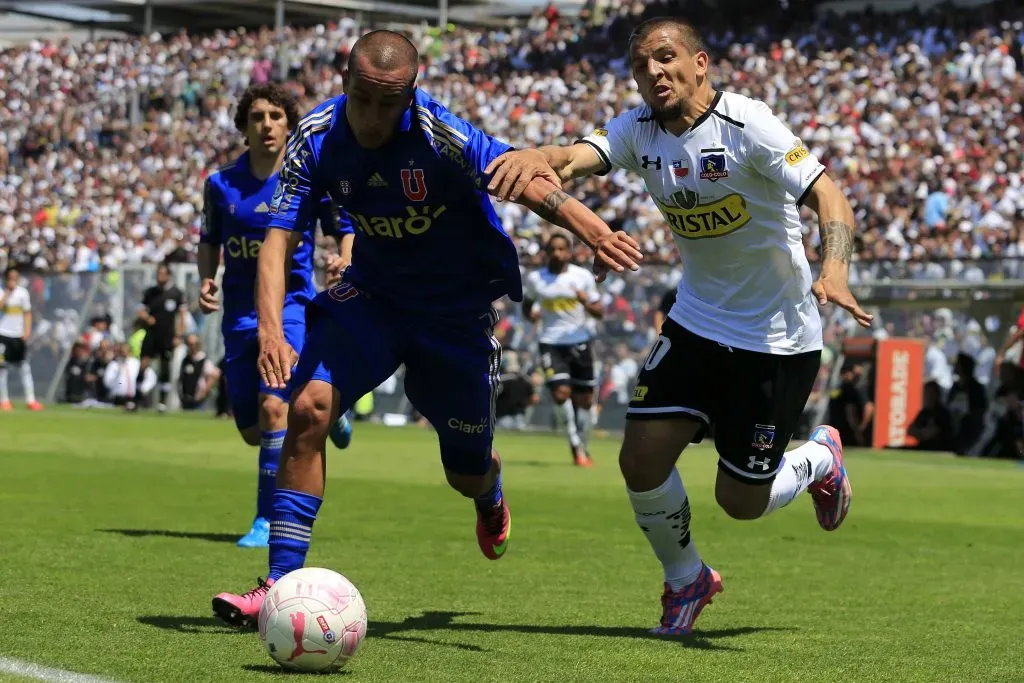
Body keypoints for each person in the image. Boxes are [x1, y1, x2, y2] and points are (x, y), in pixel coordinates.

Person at [212, 29, 641, 628]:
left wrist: (593, 231)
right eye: (362, 98)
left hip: (454, 314)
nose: (372, 115)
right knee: (307, 409)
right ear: (346, 84)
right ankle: (280, 586)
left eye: (388, 103)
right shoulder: (315, 135)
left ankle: (489, 492)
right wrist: (270, 332)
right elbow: (277, 238)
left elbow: (527, 182)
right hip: (374, 297)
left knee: (463, 471)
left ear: (412, 94)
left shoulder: (442, 132)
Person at [485, 17, 872, 635]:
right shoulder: (638, 129)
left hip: (775, 337)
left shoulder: (752, 125)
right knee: (640, 461)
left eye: (665, 58)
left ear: (700, 63)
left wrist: (836, 269)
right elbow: (576, 156)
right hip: (695, 321)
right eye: (642, 65)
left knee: (741, 502)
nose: (654, 73)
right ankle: (686, 578)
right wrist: (542, 156)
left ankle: (818, 459)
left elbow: (829, 195)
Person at [197, 82, 356, 548]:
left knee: (274, 408)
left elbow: (344, 228)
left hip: (291, 309)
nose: (266, 124)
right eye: (257, 117)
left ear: (289, 125)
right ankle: (335, 410)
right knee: (253, 428)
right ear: (244, 127)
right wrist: (208, 278)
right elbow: (209, 240)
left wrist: (345, 258)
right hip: (240, 315)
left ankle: (266, 519)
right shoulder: (220, 185)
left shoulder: (305, 179)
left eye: (275, 116)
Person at [523, 233, 604, 466]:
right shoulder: (536, 278)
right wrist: (532, 316)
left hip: (580, 342)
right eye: (553, 249)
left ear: (569, 253)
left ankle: (584, 447)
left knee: (585, 400)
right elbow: (527, 307)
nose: (557, 253)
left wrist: (584, 300)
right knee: (560, 394)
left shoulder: (582, 278)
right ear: (546, 252)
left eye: (562, 249)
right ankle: (575, 446)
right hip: (550, 342)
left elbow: (599, 312)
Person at [133, 262, 187, 412]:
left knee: (165, 367)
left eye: (162, 274)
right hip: (151, 334)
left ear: (168, 275)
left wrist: (178, 335)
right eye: (158, 274)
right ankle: (136, 400)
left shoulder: (176, 293)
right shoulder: (151, 292)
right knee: (143, 364)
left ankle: (162, 402)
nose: (159, 277)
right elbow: (140, 309)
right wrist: (147, 317)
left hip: (167, 335)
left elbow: (182, 316)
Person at [0, 267, 41, 411]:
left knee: (24, 367)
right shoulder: (1, 291)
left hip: (18, 335)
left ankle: (31, 400)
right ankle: (4, 400)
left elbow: (27, 313)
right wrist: (7, 292)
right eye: (10, 277)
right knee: (2, 369)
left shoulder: (23, 293)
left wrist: (27, 330)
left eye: (15, 277)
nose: (12, 280)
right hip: (2, 334)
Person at [828, 361, 870, 447]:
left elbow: (867, 407)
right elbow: (850, 408)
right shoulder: (849, 387)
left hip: (844, 426)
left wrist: (861, 425)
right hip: (844, 426)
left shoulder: (847, 387)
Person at [178, 335, 220, 411]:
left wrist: (204, 391)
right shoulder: (185, 360)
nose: (191, 347)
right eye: (188, 344)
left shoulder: (203, 360)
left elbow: (215, 374)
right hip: (186, 398)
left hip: (198, 400)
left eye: (193, 344)